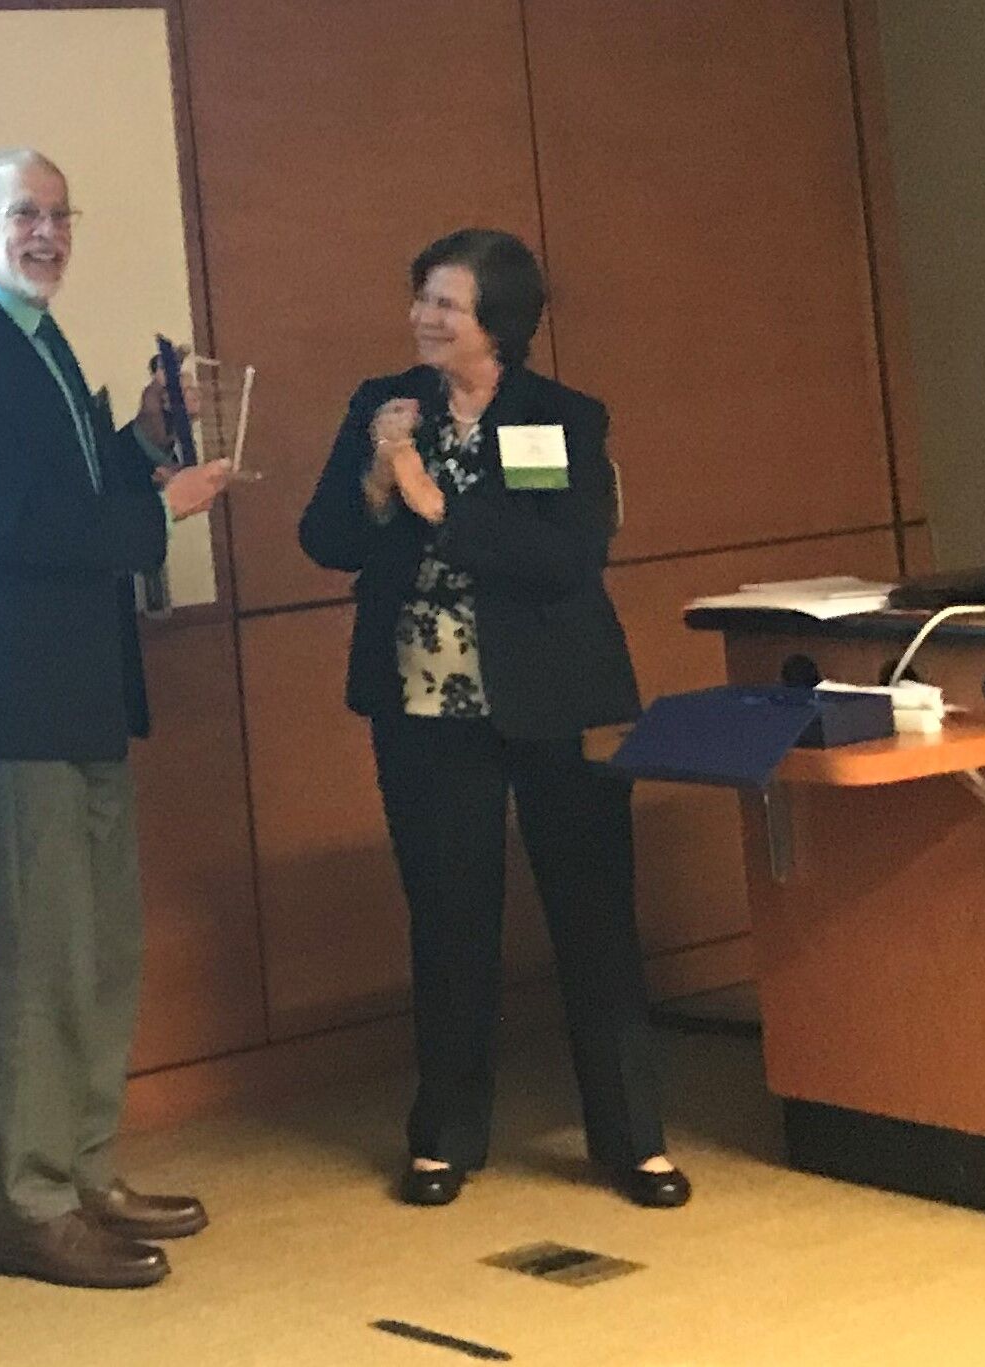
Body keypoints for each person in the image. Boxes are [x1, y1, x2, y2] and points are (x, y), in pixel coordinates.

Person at [0, 148, 234, 1288]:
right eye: (19, 215)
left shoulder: (33, 339)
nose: (44, 233)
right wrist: (158, 500)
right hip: (16, 688)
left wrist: (138, 440)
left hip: (81, 684)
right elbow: (11, 526)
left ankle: (82, 1171)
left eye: (56, 214)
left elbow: (69, 489)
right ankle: (24, 1204)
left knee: (98, 944)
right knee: (38, 956)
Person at [298, 228, 690, 1210]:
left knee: (592, 914)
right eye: (420, 297)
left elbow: (562, 557)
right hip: (422, 699)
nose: (423, 318)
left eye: (447, 304)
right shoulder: (382, 408)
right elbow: (323, 540)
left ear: (498, 325)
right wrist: (378, 479)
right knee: (448, 913)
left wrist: (434, 502)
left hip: (553, 697)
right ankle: (442, 1137)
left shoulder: (558, 417)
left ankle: (633, 1138)